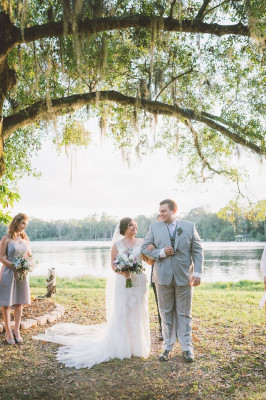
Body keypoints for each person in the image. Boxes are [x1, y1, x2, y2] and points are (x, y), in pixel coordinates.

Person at [33, 217, 150, 369]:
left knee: (139, 310)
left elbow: (148, 260)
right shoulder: (117, 245)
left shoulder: (142, 242)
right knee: (123, 309)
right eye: (130, 225)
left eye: (135, 225)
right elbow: (113, 266)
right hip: (123, 281)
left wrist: (157, 253)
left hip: (140, 281)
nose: (134, 227)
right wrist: (123, 272)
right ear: (123, 229)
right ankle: (123, 346)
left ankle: (138, 345)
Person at [142, 199, 203, 362]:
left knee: (184, 313)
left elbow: (197, 251)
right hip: (162, 277)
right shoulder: (154, 227)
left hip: (185, 277)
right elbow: (144, 248)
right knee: (166, 312)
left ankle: (187, 348)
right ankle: (167, 347)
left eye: (164, 211)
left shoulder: (189, 226)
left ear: (173, 210)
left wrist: (197, 273)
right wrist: (160, 252)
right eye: (160, 211)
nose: (161, 214)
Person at [0, 213, 31, 345]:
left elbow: (29, 255)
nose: (24, 226)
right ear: (16, 222)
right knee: (7, 304)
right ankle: (8, 332)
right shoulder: (6, 238)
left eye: (26, 224)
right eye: (22, 223)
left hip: (21, 274)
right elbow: (1, 257)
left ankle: (17, 331)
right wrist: (13, 266)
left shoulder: (25, 238)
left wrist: (27, 264)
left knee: (19, 303)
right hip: (8, 272)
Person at [142, 215, 163, 341]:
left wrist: (157, 250)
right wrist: (154, 251)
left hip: (175, 273)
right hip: (157, 273)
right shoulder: (151, 235)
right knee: (160, 304)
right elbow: (146, 252)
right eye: (158, 222)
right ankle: (162, 330)